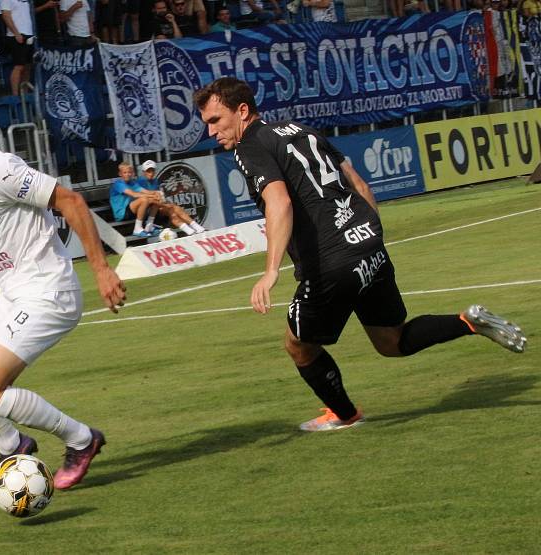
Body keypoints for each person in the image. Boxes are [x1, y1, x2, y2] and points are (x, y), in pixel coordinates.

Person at [193, 77, 526, 432]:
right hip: (366, 243)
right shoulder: (302, 130)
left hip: (330, 262)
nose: (212, 131)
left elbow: (279, 202)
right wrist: (370, 238)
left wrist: (270, 270)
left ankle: (344, 414)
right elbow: (359, 183)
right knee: (391, 341)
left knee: (298, 346)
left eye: (216, 120)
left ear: (242, 111)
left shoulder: (250, 147)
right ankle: (467, 321)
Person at [0, 93, 126, 489]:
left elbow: (72, 200)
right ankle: (13, 442)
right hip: (14, 293)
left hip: (49, 291)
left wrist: (100, 269)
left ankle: (82, 440)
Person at [137, 159, 207, 235]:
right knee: (172, 207)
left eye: (152, 171)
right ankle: (195, 227)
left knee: (172, 210)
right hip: (145, 211)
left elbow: (159, 196)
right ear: (144, 172)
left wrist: (161, 199)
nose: (151, 173)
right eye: (148, 171)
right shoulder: (140, 181)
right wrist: (159, 198)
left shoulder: (155, 181)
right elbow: (143, 197)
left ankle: (191, 230)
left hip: (156, 208)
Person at [109, 161, 162, 237]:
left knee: (155, 200)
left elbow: (146, 192)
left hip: (131, 210)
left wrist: (157, 194)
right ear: (120, 174)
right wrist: (152, 195)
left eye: (130, 172)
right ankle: (137, 229)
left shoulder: (132, 183)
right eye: (125, 172)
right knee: (144, 199)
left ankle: (149, 226)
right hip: (122, 213)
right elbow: (134, 194)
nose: (128, 174)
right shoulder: (118, 184)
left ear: (133, 173)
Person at [1, 0, 34, 95]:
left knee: (28, 65)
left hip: (28, 33)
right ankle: (15, 95)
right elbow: (6, 15)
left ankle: (25, 92)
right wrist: (16, 33)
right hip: (16, 35)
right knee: (19, 66)